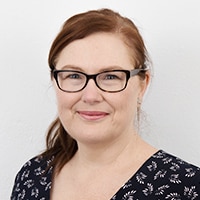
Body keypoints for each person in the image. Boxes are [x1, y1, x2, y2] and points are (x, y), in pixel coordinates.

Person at [11, 8, 200, 200]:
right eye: (74, 75)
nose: (91, 96)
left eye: (110, 76)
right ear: (55, 81)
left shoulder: (187, 188)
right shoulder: (31, 177)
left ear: (142, 85)